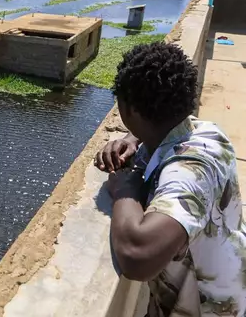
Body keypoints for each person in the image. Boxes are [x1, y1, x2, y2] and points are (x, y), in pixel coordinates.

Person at [94, 42, 246, 316]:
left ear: (130, 110)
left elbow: (138, 256)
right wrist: (132, 138)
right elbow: (161, 127)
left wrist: (125, 190)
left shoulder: (187, 172)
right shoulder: (207, 131)